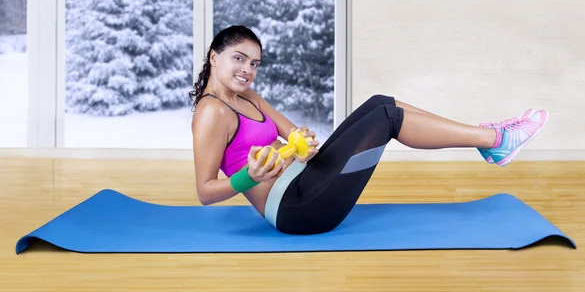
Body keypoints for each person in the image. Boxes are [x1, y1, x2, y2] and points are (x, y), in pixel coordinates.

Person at [189, 25, 548, 235]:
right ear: (214, 56)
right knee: (386, 119)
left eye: (254, 63)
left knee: (381, 103)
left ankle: (488, 136)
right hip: (296, 208)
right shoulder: (211, 113)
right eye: (239, 58)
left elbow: (293, 135)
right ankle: (496, 140)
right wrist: (248, 178)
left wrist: (305, 145)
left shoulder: (249, 95)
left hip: (306, 177)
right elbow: (205, 192)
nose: (248, 70)